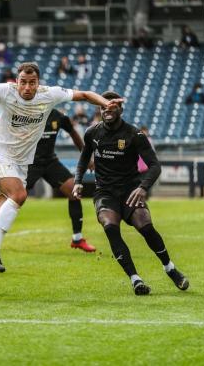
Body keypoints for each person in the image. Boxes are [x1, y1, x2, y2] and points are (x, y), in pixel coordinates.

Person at [0, 62, 120, 299]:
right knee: (20, 195)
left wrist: (105, 103)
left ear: (38, 82)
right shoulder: (5, 90)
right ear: (17, 80)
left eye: (32, 82)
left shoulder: (48, 95)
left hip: (22, 164)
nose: (27, 87)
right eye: (23, 81)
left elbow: (84, 94)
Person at [73, 91, 189, 296]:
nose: (107, 111)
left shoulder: (134, 135)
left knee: (145, 227)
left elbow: (154, 166)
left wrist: (143, 187)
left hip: (130, 192)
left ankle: (170, 268)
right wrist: (78, 181)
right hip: (105, 193)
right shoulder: (92, 133)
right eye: (103, 108)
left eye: (111, 107)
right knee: (110, 226)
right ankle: (136, 280)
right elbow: (83, 159)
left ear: (120, 109)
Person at [26, 109, 96, 252]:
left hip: (50, 162)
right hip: (29, 163)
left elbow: (74, 134)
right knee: (15, 199)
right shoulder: (27, 113)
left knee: (74, 192)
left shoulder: (59, 116)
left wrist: (86, 157)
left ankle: (77, 239)